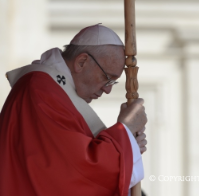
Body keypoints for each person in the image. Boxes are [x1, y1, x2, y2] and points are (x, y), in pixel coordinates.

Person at [0, 24, 147, 196]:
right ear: (81, 62)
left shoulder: (53, 91)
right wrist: (125, 132)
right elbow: (76, 171)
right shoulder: (40, 91)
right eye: (107, 79)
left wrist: (128, 146)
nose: (107, 90)